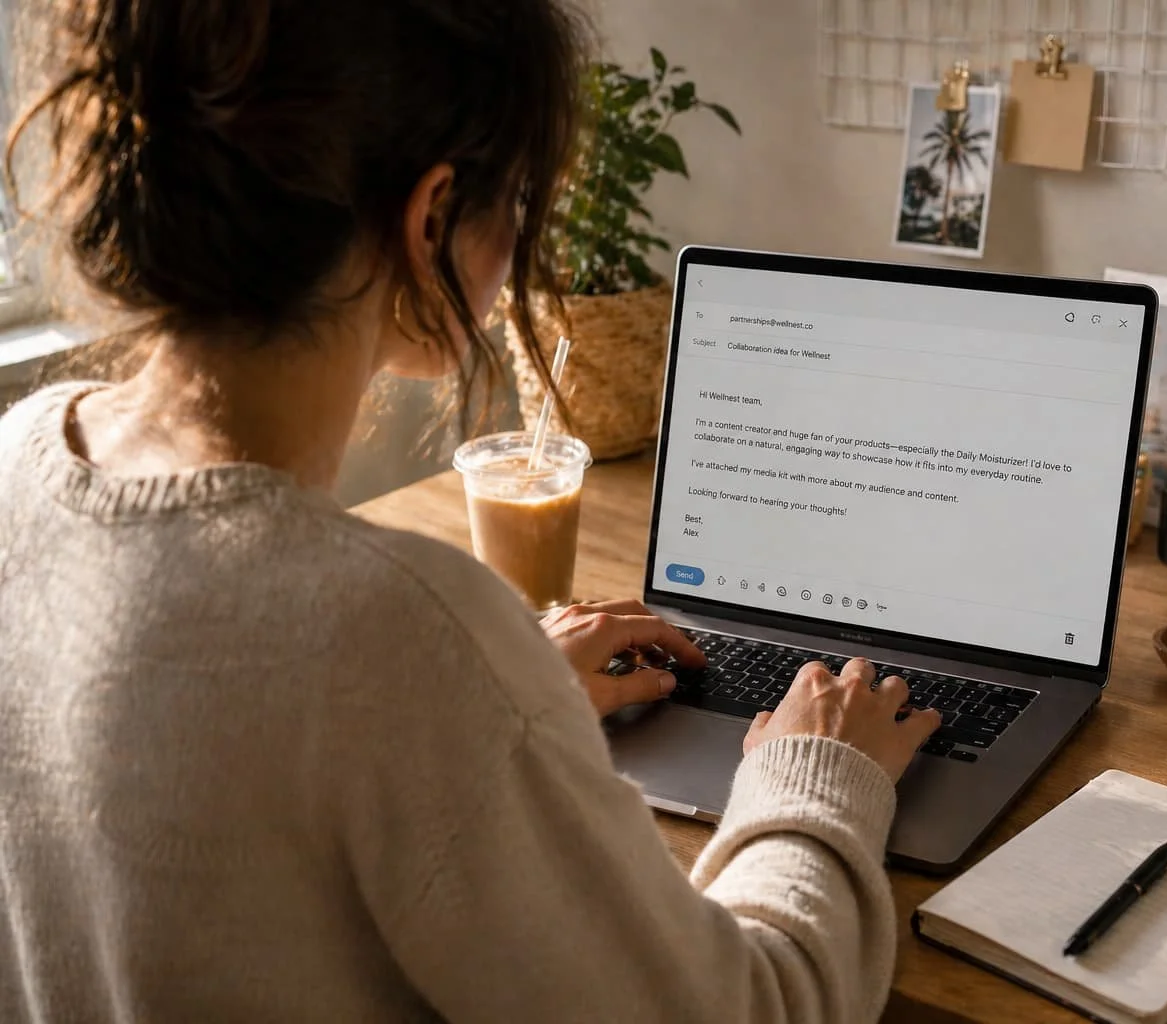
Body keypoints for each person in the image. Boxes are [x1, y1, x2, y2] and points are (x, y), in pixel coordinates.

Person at [0, 1, 943, 1021]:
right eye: (523, 200)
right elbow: (760, 1006)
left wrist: (507, 697)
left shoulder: (20, 464)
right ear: (435, 215)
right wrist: (819, 772)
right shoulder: (399, 636)